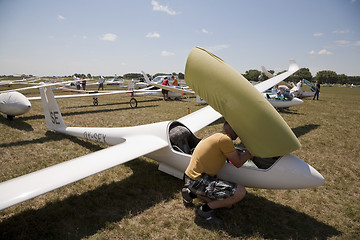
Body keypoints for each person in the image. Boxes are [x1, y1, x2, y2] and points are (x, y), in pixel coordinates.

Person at [182, 121, 252, 223]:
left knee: (227, 204)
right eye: (237, 130)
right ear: (229, 126)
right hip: (198, 180)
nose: (238, 135)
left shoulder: (217, 135)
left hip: (190, 178)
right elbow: (238, 162)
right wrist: (252, 150)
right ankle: (204, 211)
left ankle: (190, 194)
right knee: (239, 192)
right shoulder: (224, 139)